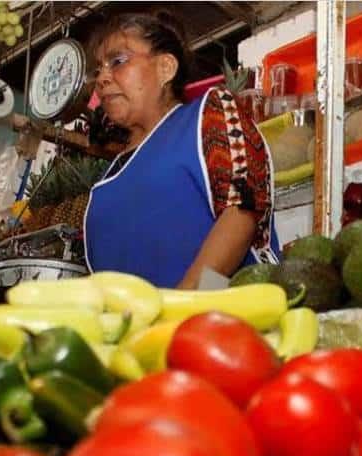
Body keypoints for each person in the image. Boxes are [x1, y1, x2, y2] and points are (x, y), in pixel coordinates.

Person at [83, 11, 280, 289]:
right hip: (146, 332)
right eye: (98, 69)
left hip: (227, 321)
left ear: (165, 67)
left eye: (118, 61)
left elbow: (242, 216)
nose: (102, 78)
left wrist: (193, 302)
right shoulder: (106, 182)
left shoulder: (208, 115)